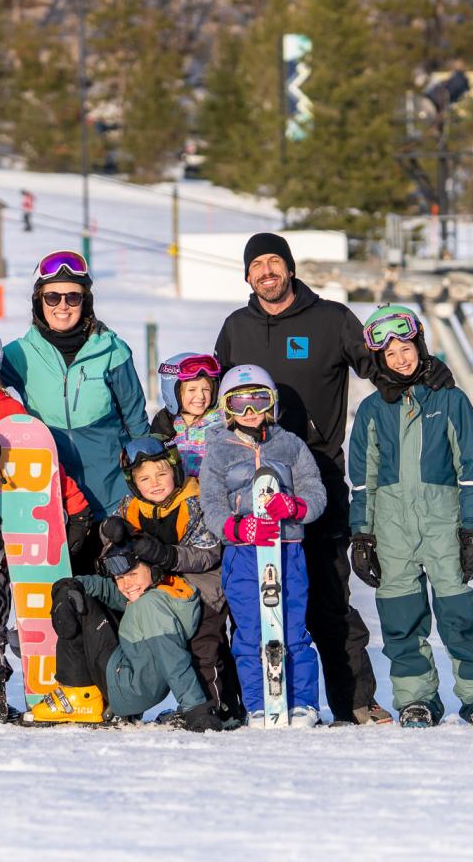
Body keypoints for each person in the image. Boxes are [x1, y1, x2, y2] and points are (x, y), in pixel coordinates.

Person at [212, 232, 450, 725]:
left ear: (291, 268)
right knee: (247, 605)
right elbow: (215, 397)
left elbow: (379, 367)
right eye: (257, 265)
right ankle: (247, 704)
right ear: (247, 275)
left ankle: (354, 701)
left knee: (326, 595)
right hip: (243, 488)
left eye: (275, 262)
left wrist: (423, 373)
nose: (267, 272)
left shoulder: (332, 319)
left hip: (315, 478)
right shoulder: (236, 327)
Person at [348, 305, 473, 727]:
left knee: (460, 617)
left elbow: (471, 470)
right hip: (391, 529)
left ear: (419, 345)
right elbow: (362, 482)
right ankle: (416, 699)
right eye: (390, 354)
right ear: (379, 361)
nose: (401, 358)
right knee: (402, 622)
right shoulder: (370, 412)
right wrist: (362, 537)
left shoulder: (451, 400)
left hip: (444, 524)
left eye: (406, 348)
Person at [0, 319, 90, 722]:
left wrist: (74, 505)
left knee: (2, 604)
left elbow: (39, 457)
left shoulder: (10, 408)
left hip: (9, 521)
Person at [2, 250, 148, 573]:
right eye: (53, 296)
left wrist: (146, 477)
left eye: (72, 296)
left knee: (117, 583)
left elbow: (137, 419)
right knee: (67, 594)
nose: (62, 305)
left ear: (86, 302)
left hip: (112, 495)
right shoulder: (18, 354)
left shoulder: (112, 350)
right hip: (53, 497)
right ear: (39, 301)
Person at [199, 364, 326, 728]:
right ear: (227, 408)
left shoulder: (290, 445)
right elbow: (211, 503)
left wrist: (296, 507)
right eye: (239, 404)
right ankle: (257, 702)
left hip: (287, 549)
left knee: (292, 628)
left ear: (272, 404)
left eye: (258, 401)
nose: (250, 412)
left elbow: (314, 490)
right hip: (243, 554)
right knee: (250, 631)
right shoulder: (219, 450)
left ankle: (303, 702)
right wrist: (235, 527)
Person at [100, 437, 241, 723]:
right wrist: (109, 531)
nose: (154, 483)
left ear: (175, 471)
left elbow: (207, 552)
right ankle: (127, 698)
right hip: (157, 592)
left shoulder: (194, 500)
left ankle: (217, 707)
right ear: (133, 483)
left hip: (203, 590)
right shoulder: (131, 506)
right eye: (145, 478)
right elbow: (110, 548)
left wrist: (166, 555)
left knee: (203, 647)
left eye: (161, 474)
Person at [23, 539, 223, 731]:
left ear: (154, 569)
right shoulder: (166, 590)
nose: (127, 584)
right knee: (78, 594)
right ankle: (100, 701)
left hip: (129, 687)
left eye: (133, 574)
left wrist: (196, 709)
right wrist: (68, 585)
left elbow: (172, 657)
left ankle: (78, 695)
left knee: (80, 604)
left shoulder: (150, 605)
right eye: (120, 578)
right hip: (136, 683)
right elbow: (107, 590)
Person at [149, 352, 223, 477]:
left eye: (206, 389)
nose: (200, 396)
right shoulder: (165, 426)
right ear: (175, 393)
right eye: (192, 390)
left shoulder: (221, 425)